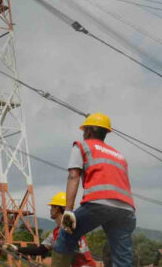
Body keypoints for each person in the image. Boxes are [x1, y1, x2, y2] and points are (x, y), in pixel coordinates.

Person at [52, 113, 136, 267]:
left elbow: (73, 176)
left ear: (88, 131)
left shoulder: (83, 146)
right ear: (105, 133)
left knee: (65, 234)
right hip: (126, 209)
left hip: (99, 203)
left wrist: (68, 211)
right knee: (122, 257)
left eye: (84, 130)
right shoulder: (119, 155)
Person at [4, 192, 95, 266]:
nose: (50, 209)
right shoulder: (56, 232)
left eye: (53, 206)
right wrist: (16, 249)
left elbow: (70, 255)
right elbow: (40, 250)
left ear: (60, 208)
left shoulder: (70, 228)